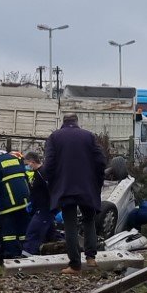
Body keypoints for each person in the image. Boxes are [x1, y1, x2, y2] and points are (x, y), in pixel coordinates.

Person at [40, 113, 106, 274]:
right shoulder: (88, 136)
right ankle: (91, 258)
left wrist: (47, 179)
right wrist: (96, 180)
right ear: (77, 122)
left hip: (65, 187)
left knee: (70, 224)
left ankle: (75, 265)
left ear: (63, 122)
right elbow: (101, 161)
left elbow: (49, 165)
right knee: (89, 220)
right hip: (87, 186)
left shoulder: (54, 137)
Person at [0, 140, 31, 259]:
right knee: (22, 229)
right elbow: (24, 176)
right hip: (24, 200)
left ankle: (12, 255)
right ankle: (24, 251)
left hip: (9, 202)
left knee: (8, 231)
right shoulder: (14, 157)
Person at [22, 149, 54, 256]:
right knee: (50, 233)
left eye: (27, 164)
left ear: (32, 161)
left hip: (44, 208)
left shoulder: (42, 173)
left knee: (33, 232)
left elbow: (50, 189)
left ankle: (27, 255)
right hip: (41, 207)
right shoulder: (37, 173)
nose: (27, 166)